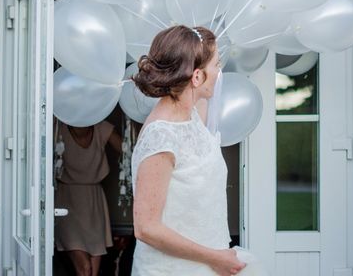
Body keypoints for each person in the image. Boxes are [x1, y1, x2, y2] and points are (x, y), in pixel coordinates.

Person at [130, 25, 247, 276]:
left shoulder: (193, 114)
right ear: (196, 77)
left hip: (206, 264)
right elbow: (146, 228)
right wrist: (215, 258)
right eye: (217, 65)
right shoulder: (160, 137)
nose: (219, 72)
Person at [54, 118, 122, 276]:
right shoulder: (58, 127)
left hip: (94, 201)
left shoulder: (101, 127)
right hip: (68, 201)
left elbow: (128, 150)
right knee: (84, 268)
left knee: (93, 270)